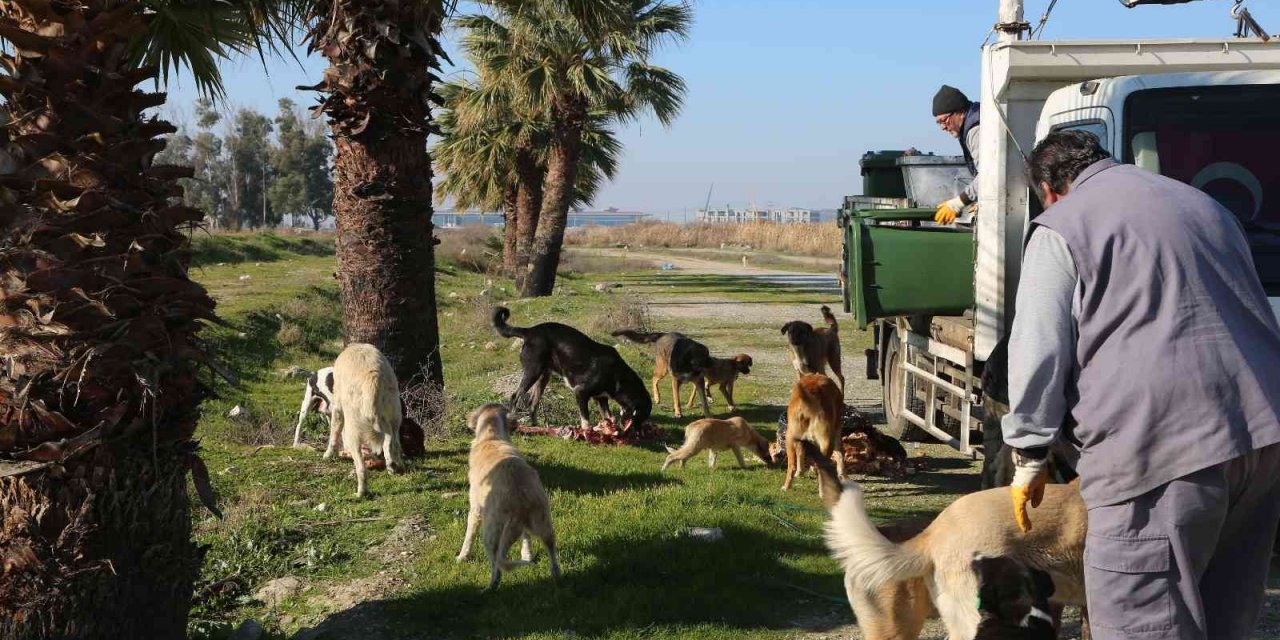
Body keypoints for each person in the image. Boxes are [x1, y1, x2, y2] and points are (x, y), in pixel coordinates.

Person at [1002, 130, 1280, 640]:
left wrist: (1029, 452)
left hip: (1159, 451)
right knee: (1225, 616)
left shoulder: (1062, 225)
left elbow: (1038, 348)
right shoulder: (1204, 206)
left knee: (1142, 620)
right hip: (1260, 440)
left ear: (1049, 188)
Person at [931, 84, 980, 224]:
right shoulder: (971, 123)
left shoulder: (976, 130)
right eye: (938, 123)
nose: (942, 127)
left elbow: (988, 176)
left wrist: (958, 203)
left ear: (960, 112)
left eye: (944, 120)